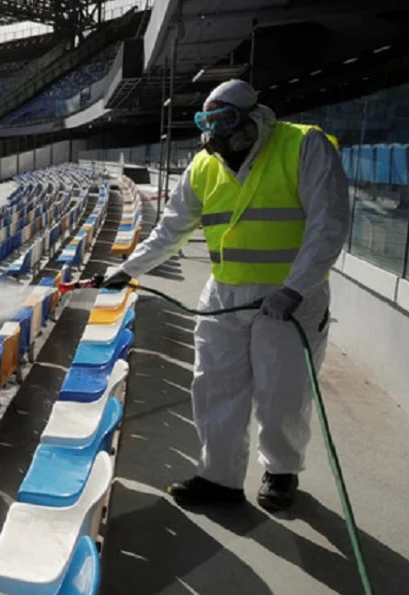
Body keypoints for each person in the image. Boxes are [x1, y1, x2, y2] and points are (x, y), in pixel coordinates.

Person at [98, 79, 350, 511]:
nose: (218, 135)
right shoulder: (203, 166)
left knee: (282, 392)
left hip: (288, 299)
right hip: (225, 294)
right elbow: (170, 231)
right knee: (214, 386)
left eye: (226, 122)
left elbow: (328, 225)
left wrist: (294, 288)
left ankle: (281, 471)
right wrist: (126, 268)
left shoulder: (304, 147)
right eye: (209, 125)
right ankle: (220, 478)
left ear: (254, 117)